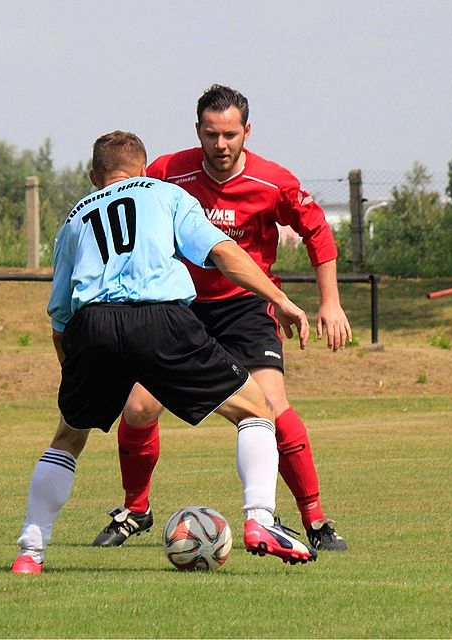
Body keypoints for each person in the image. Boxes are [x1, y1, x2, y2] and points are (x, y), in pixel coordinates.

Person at [11, 130, 319, 575]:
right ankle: (260, 522)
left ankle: (29, 554)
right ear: (142, 167)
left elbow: (59, 316)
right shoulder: (164, 193)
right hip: (159, 318)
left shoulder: (74, 220)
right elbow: (223, 253)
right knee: (257, 409)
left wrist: (76, 370)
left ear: (94, 176)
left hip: (91, 326)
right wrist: (282, 299)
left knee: (67, 439)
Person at [92, 85, 352, 552]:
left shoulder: (274, 182)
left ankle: (314, 519)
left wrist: (329, 301)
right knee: (138, 407)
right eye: (211, 134)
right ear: (198, 131)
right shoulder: (169, 172)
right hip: (180, 307)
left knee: (271, 406)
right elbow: (119, 202)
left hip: (245, 308)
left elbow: (316, 230)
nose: (221, 145)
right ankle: (136, 509)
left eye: (230, 134)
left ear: (246, 131)